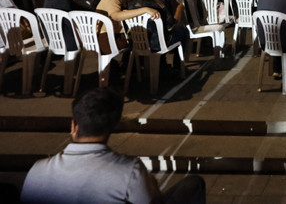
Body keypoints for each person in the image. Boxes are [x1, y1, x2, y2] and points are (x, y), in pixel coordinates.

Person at [20, 87, 205, 204]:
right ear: (113, 127)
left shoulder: (37, 171)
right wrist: (152, 187)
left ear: (73, 126)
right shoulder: (129, 171)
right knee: (193, 185)